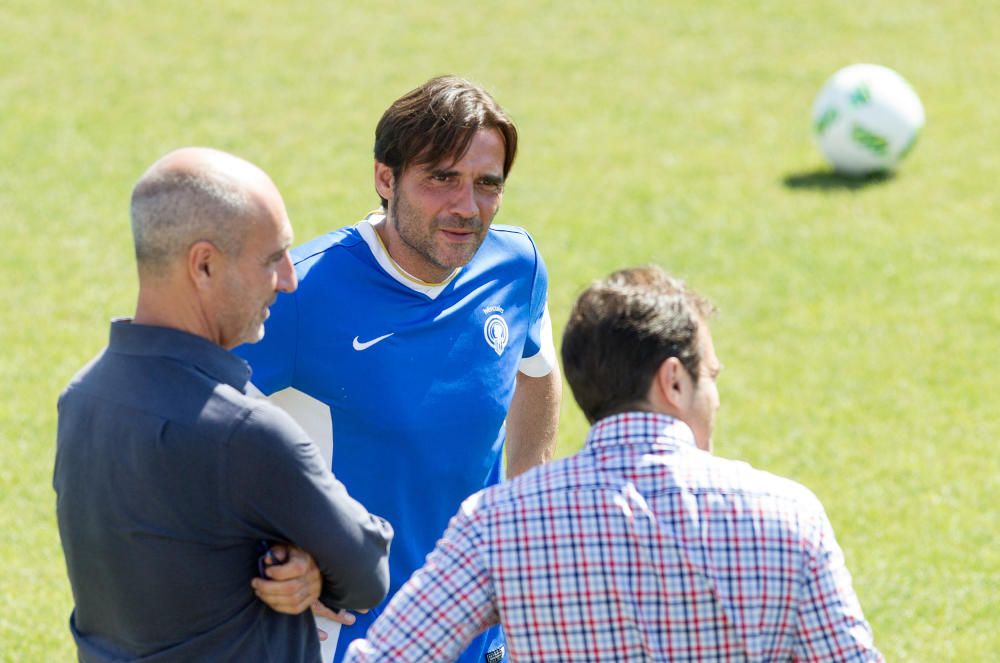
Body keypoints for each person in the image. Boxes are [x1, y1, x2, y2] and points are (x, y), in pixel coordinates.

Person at [346, 265, 884, 662]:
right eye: (711, 378)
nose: (715, 397)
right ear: (673, 380)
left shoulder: (498, 523)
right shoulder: (789, 516)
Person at [235, 75, 561, 662]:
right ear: (386, 178)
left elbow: (536, 373)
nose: (467, 207)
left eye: (487, 184)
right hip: (349, 630)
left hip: (478, 627)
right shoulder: (300, 291)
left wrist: (525, 508)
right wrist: (260, 552)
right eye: (442, 179)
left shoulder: (516, 266)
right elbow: (183, 426)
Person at [53, 147, 393, 662]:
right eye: (271, 258)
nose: (288, 278)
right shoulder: (247, 434)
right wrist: (315, 564)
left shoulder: (83, 397)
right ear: (204, 264)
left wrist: (302, 567)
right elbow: (368, 573)